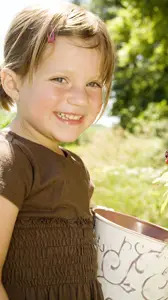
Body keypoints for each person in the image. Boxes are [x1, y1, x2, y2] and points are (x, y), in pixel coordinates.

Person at [0, 2, 115, 299]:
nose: (78, 98)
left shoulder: (74, 165)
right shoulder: (11, 160)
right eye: (60, 79)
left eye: (93, 83)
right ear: (13, 83)